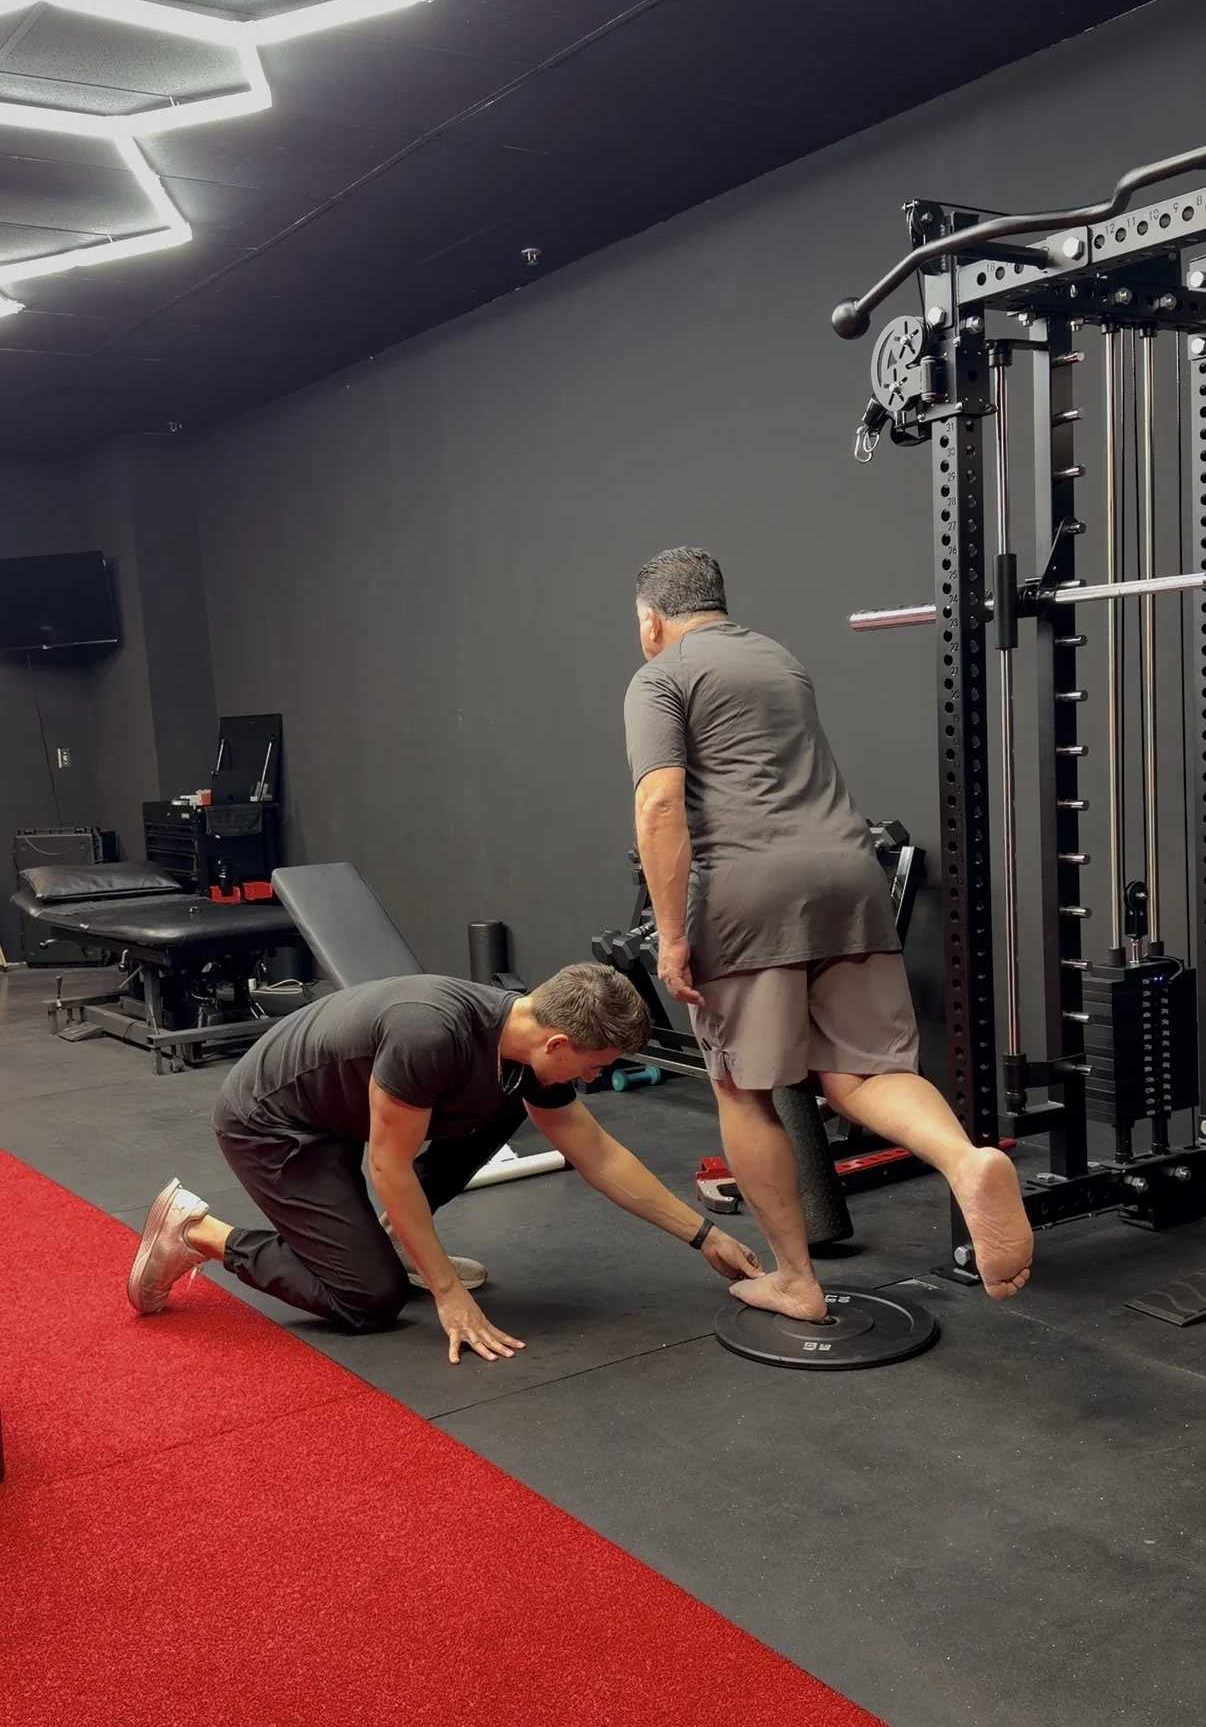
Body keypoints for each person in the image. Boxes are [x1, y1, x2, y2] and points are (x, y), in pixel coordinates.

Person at [623, 546, 1033, 1324]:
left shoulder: (660, 676)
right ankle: (963, 1159)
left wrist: (671, 938)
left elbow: (658, 808)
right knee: (860, 1071)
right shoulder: (779, 659)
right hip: (850, 875)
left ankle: (794, 1281)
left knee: (742, 1089)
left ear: (651, 620)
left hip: (749, 889)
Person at [126, 962, 762, 1363]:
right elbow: (391, 1168)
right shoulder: (431, 1033)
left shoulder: (524, 1045)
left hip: (342, 1119)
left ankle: (395, 1239)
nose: (596, 1079)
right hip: (274, 1125)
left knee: (509, 1103)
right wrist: (448, 1293)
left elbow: (595, 1152)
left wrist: (703, 1235)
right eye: (595, 1065)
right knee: (368, 1301)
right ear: (560, 1041)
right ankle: (196, 1231)